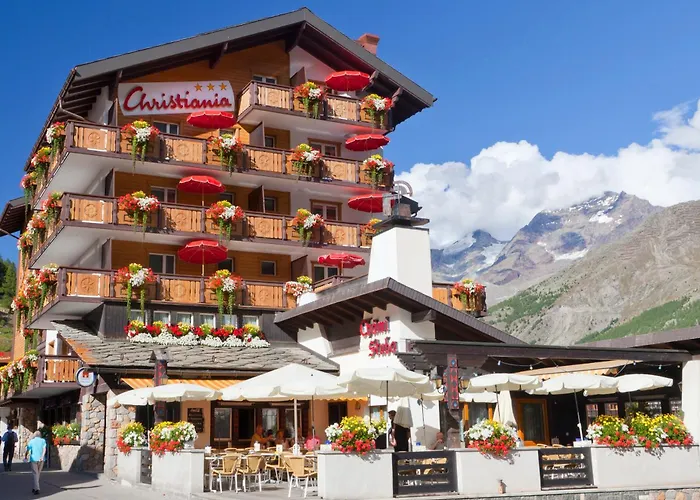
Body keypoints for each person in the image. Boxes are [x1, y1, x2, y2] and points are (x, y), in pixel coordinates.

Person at [26, 430, 46, 495]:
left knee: (35, 473)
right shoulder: (43, 441)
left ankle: (37, 488)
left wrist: (26, 456)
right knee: (38, 473)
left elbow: (28, 449)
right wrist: (42, 456)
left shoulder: (32, 441)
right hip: (41, 459)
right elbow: (44, 449)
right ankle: (35, 487)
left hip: (34, 459)